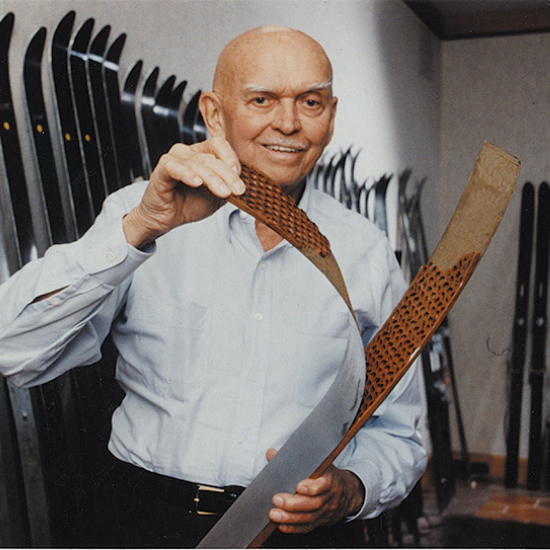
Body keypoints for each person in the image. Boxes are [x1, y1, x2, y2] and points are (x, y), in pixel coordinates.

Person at [0, 26, 427, 548]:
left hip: (300, 535)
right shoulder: (139, 213)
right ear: (214, 113)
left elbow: (400, 433)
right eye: (262, 99)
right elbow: (12, 349)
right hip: (144, 524)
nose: (288, 123)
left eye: (310, 102)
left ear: (331, 116)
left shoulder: (368, 253)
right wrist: (140, 229)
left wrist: (354, 489)